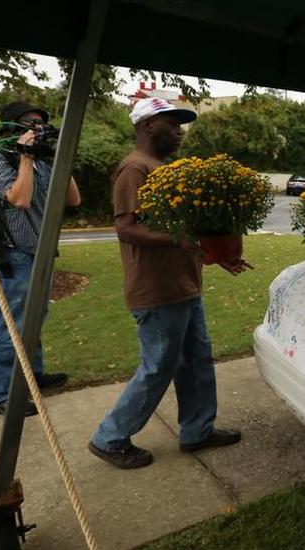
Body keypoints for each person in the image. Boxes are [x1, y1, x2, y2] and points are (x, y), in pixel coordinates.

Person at [87, 97, 248, 469]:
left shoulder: (163, 168)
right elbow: (126, 228)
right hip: (157, 292)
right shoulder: (135, 168)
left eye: (180, 124)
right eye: (171, 123)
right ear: (146, 126)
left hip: (184, 286)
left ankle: (197, 431)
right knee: (159, 365)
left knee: (196, 362)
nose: (179, 131)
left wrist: (219, 255)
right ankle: (109, 438)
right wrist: (178, 238)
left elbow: (189, 231)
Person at [0, 101, 81, 415]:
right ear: (11, 129)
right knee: (12, 321)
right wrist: (25, 158)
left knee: (36, 316)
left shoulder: (44, 163)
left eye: (40, 123)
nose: (36, 128)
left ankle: (32, 376)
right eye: (29, 122)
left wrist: (58, 159)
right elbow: (19, 199)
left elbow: (73, 199)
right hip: (15, 253)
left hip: (42, 251)